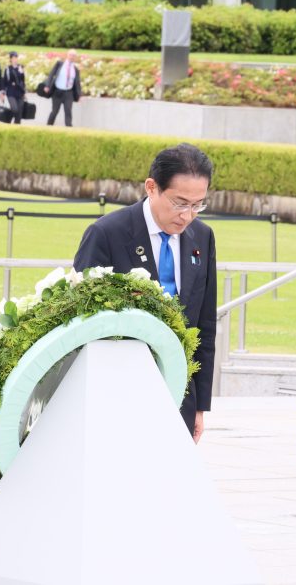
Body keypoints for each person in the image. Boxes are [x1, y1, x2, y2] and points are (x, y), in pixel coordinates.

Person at [73, 143, 216, 442]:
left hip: (179, 393)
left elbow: (204, 325)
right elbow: (81, 322)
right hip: (114, 393)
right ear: (151, 187)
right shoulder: (106, 234)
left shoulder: (202, 237)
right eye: (180, 203)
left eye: (198, 205)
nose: (188, 215)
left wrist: (200, 405)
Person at [46, 49, 82, 127]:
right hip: (57, 92)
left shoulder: (75, 69)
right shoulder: (59, 64)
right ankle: (48, 127)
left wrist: (79, 95)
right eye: (71, 55)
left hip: (68, 93)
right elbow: (51, 74)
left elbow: (77, 83)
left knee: (68, 112)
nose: (72, 57)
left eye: (74, 56)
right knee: (54, 111)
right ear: (67, 55)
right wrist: (47, 85)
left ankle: (69, 129)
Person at [2, 51, 26, 125]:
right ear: (10, 59)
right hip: (11, 91)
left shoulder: (20, 67)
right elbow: (4, 81)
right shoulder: (7, 69)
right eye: (13, 58)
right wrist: (2, 92)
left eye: (16, 58)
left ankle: (17, 126)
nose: (15, 59)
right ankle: (8, 119)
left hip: (20, 91)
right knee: (14, 109)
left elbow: (22, 80)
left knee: (19, 111)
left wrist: (21, 72)